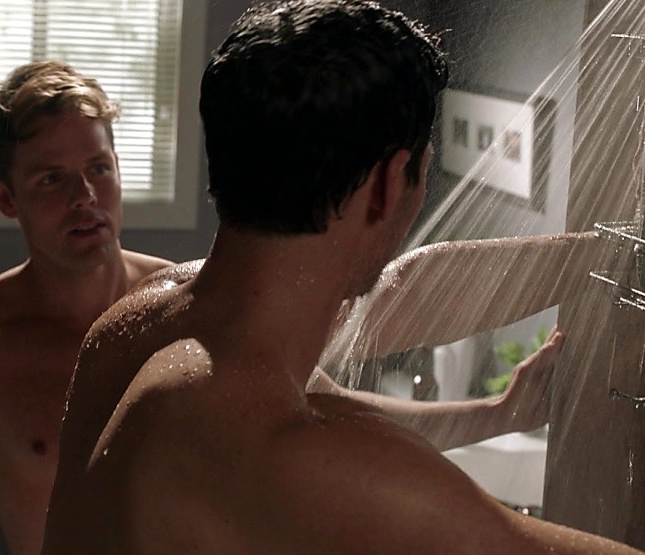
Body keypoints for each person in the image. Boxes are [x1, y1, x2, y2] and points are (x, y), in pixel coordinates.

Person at [0, 61, 602, 554]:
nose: (86, 198)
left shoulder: (183, 301)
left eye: (99, 168)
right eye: (51, 179)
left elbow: (325, 419)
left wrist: (495, 410)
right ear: (5, 196)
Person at [42, 2, 639, 553]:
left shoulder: (142, 322)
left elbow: (397, 301)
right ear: (389, 184)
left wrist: (500, 410)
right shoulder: (303, 458)